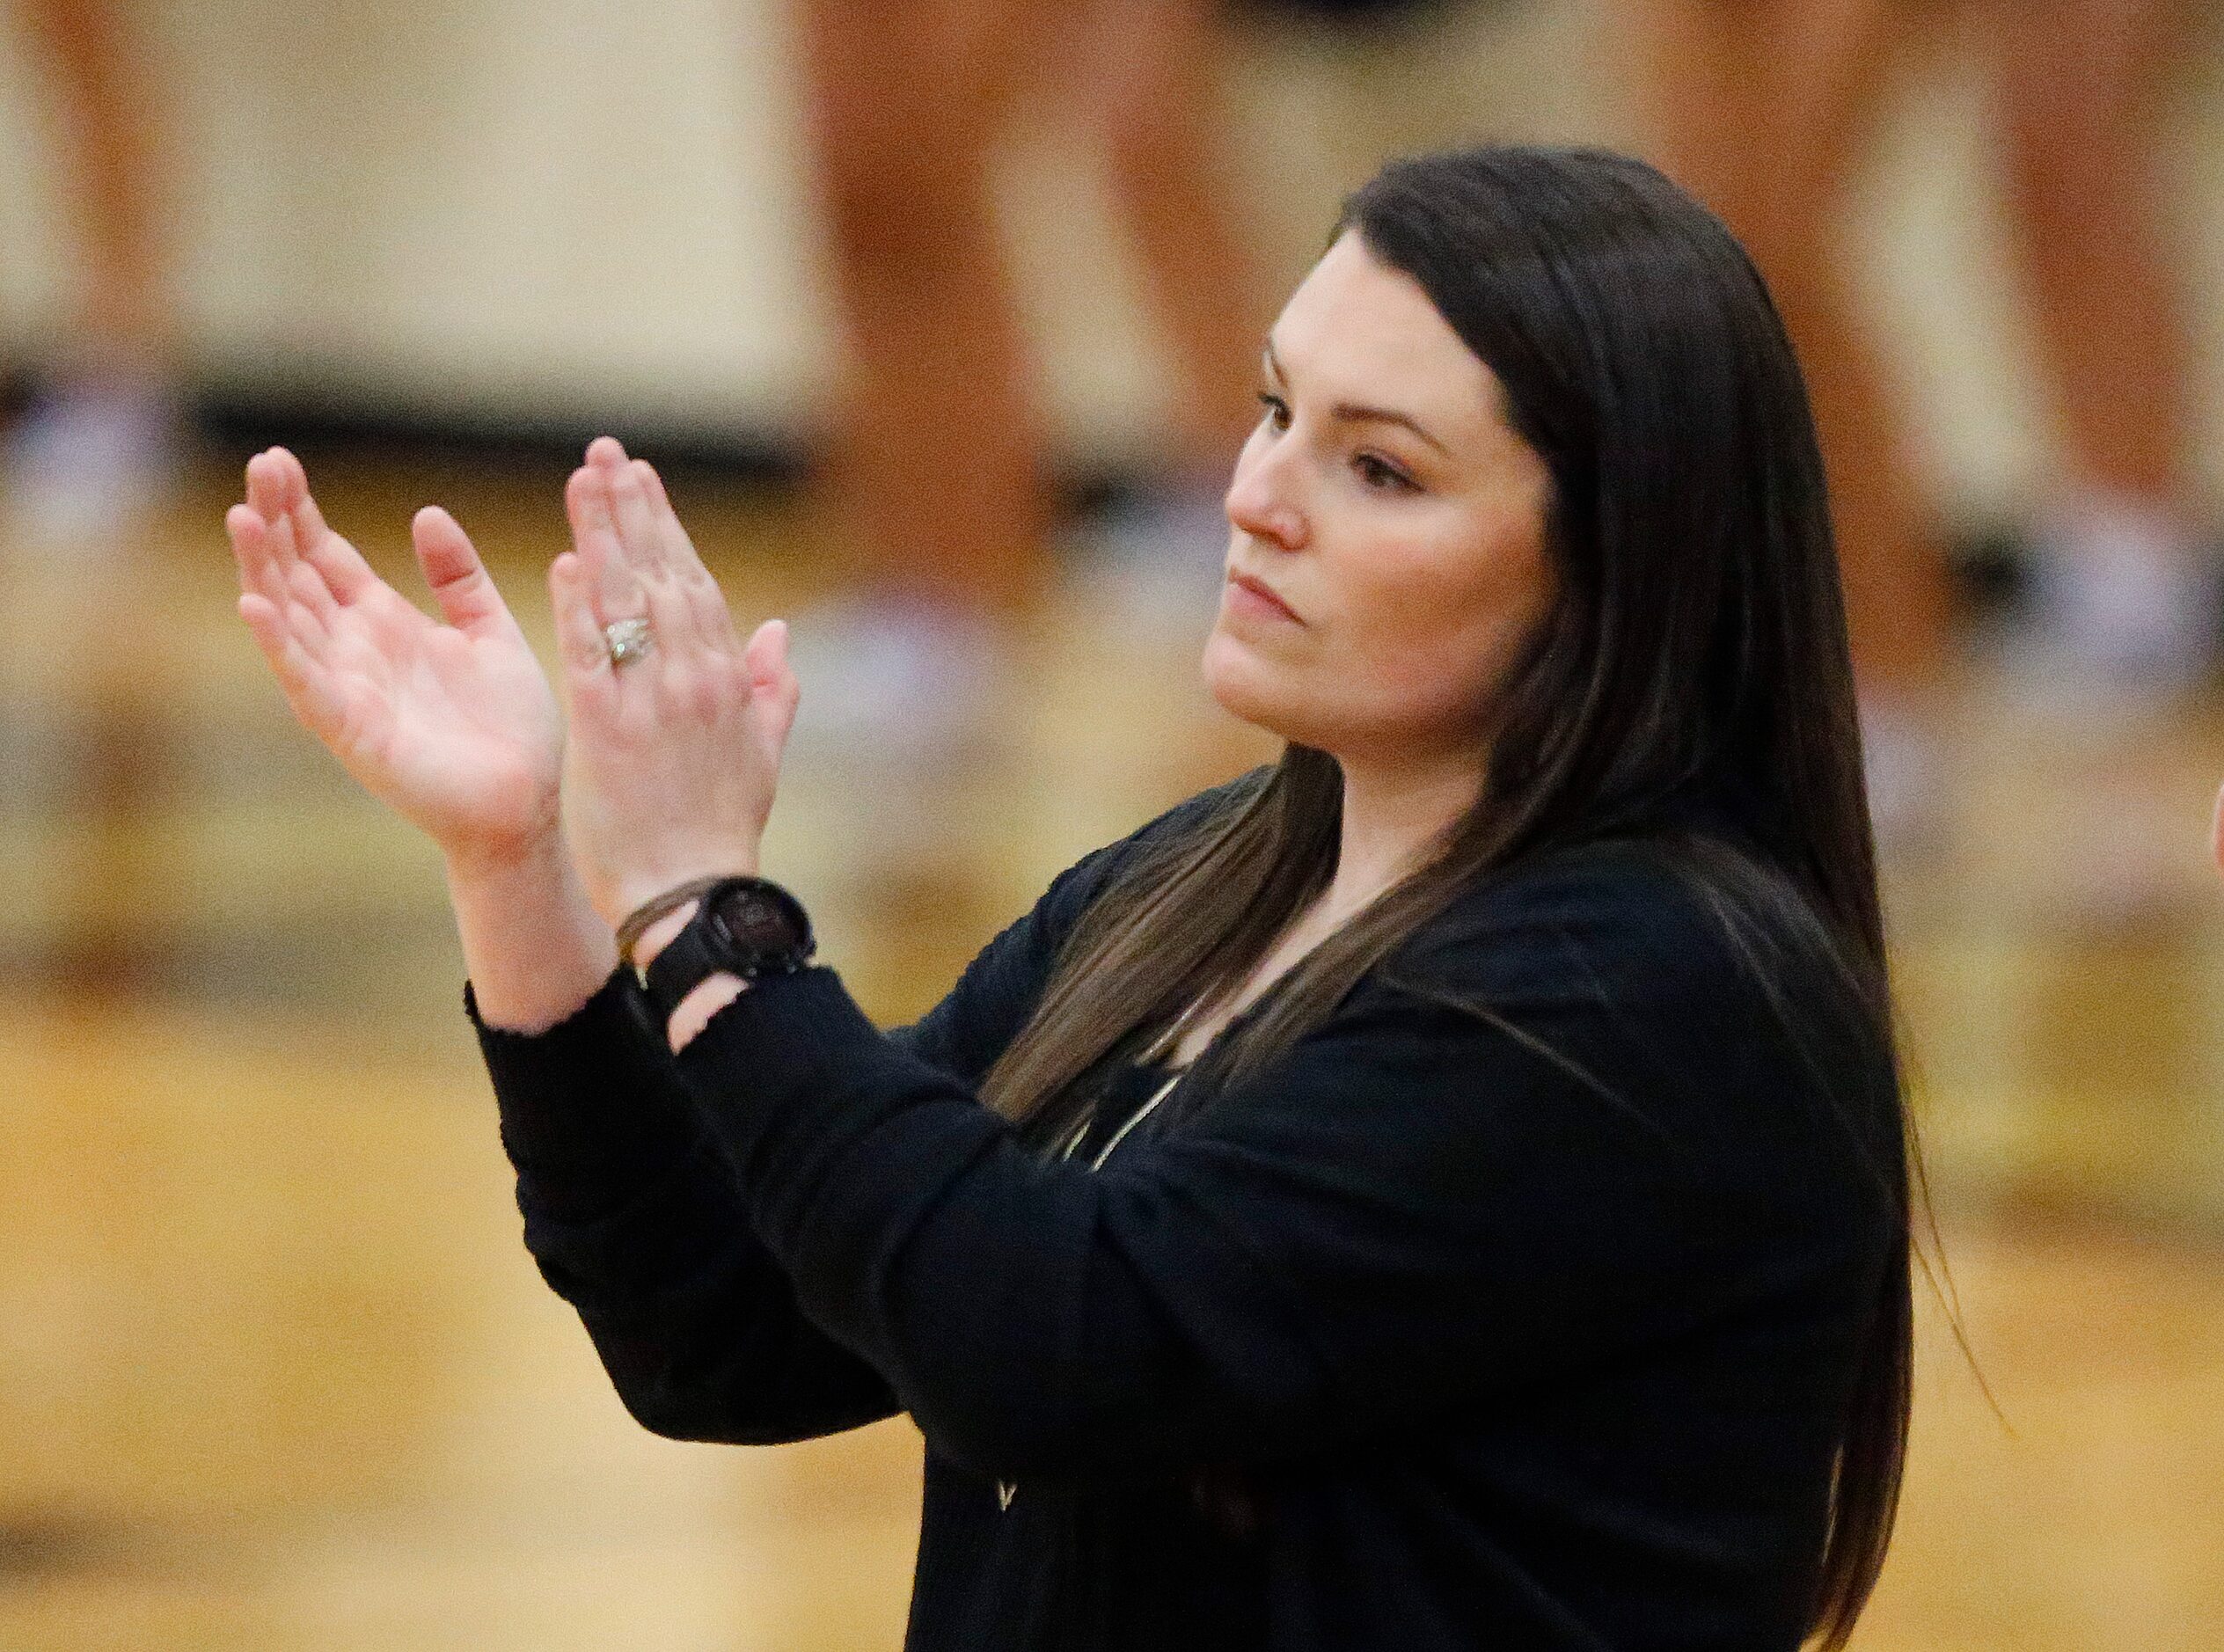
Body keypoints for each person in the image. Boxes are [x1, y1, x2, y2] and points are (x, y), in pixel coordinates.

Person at [227, 147, 1917, 1650]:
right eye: (1274, 412)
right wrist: (518, 864)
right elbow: (732, 1328)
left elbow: (1054, 1345)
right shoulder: (1200, 882)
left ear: (1618, 568)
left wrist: (705, 906)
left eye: (1378, 468)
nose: (1255, 496)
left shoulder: (1658, 988)